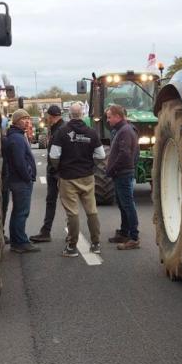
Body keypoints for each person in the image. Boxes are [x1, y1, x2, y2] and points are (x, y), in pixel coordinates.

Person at [49, 103, 106, 257]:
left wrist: (59, 168)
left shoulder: (61, 132)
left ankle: (72, 247)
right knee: (92, 211)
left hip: (68, 177)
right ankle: (96, 244)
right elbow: (101, 155)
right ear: (82, 114)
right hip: (87, 177)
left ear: (70, 114)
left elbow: (54, 156)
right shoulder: (91, 133)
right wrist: (91, 164)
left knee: (72, 213)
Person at [3, 109, 40, 253]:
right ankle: (20, 242)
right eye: (23, 119)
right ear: (16, 121)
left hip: (17, 180)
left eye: (28, 119)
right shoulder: (17, 139)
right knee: (21, 212)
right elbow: (19, 162)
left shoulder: (16, 136)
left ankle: (16, 241)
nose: (27, 121)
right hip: (20, 181)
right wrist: (28, 176)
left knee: (18, 211)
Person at [105, 104, 141, 250]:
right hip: (121, 173)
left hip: (123, 174)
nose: (108, 120)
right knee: (122, 204)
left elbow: (124, 155)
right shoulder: (121, 130)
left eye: (109, 117)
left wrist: (112, 169)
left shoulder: (125, 131)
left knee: (128, 205)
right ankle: (124, 232)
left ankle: (134, 237)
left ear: (117, 116)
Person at [30, 105, 66, 243]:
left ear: (50, 116)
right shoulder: (58, 128)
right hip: (58, 171)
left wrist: (54, 170)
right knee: (54, 201)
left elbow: (58, 154)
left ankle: (47, 231)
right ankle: (46, 230)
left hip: (57, 172)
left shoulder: (60, 130)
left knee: (62, 202)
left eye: (48, 117)